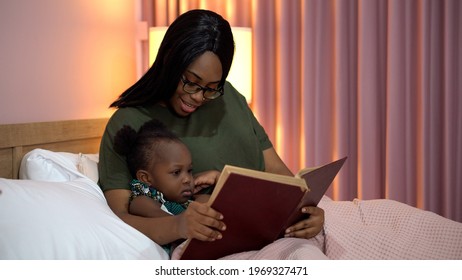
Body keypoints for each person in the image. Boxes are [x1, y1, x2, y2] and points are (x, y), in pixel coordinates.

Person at [98, 9, 324, 256]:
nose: (198, 97)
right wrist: (177, 224)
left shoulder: (230, 97)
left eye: (211, 88)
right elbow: (118, 218)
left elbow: (278, 173)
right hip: (224, 246)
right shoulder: (128, 122)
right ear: (169, 62)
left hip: (273, 231)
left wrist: (306, 212)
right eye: (191, 82)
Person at [113, 119, 220, 255]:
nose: (187, 179)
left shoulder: (189, 200)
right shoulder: (142, 201)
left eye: (189, 170)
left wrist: (205, 203)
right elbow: (167, 223)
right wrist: (188, 220)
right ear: (146, 178)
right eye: (176, 172)